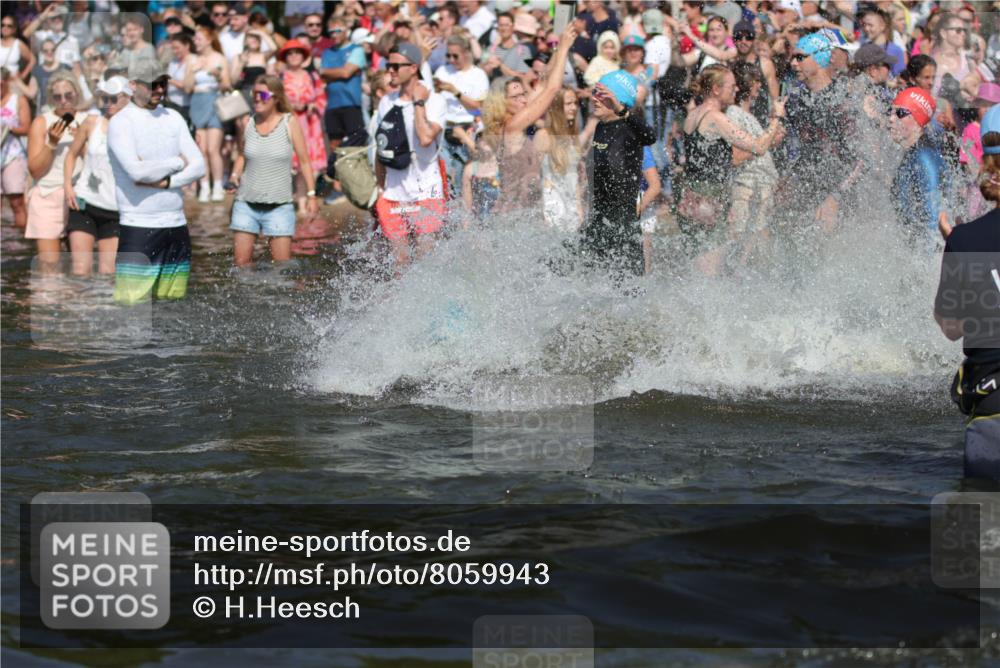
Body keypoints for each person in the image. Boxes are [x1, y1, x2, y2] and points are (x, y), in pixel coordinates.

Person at [934, 104, 1000, 478]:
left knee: (980, 512)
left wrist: (959, 246)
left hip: (993, 408)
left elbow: (950, 326)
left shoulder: (965, 240)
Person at [107, 59, 205, 305]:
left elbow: (199, 166)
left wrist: (167, 182)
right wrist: (178, 162)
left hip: (176, 224)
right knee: (131, 306)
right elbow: (137, 172)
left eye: (163, 83)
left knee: (173, 306)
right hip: (139, 225)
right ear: (132, 85)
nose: (160, 89)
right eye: (153, 84)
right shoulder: (121, 122)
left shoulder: (173, 117)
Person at [678, 64, 785, 272]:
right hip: (709, 197)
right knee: (710, 270)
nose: (736, 89)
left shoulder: (693, 114)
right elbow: (759, 147)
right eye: (732, 86)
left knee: (696, 263)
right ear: (716, 89)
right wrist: (776, 119)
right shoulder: (716, 118)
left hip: (689, 194)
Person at [481, 22, 577, 220]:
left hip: (524, 212)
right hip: (514, 215)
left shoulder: (511, 122)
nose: (524, 100)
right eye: (516, 97)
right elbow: (552, 89)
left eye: (523, 94)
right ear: (501, 102)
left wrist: (557, 48)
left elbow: (543, 83)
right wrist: (565, 49)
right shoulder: (512, 126)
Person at [228, 75, 318, 268]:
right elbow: (242, 155)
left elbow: (304, 161)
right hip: (245, 204)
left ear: (276, 97)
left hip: (280, 206)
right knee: (241, 265)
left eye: (262, 94)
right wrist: (234, 176)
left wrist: (311, 196)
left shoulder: (289, 122)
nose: (257, 98)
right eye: (254, 94)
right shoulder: (248, 122)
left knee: (281, 267)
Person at [372, 42, 447, 268]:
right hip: (394, 193)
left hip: (427, 191)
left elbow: (425, 138)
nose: (390, 71)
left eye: (396, 66)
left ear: (413, 68)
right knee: (400, 264)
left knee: (427, 262)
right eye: (388, 66)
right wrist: (380, 188)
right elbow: (381, 147)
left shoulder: (435, 100)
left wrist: (419, 102)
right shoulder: (386, 102)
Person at [580, 69, 655, 278]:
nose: (594, 99)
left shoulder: (630, 130)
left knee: (626, 291)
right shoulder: (600, 127)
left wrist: (621, 110)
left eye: (602, 95)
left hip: (623, 229)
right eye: (594, 93)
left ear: (617, 100)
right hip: (598, 223)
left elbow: (650, 136)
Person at [782, 33, 859, 232]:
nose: (793, 63)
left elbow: (863, 159)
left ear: (819, 58)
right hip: (806, 190)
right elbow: (797, 149)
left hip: (838, 193)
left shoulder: (842, 100)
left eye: (800, 57)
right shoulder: (795, 100)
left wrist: (835, 197)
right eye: (793, 57)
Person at [62, 76, 131, 276]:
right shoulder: (92, 122)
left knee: (107, 272)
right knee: (80, 269)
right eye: (105, 98)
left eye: (113, 99)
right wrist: (68, 186)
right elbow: (71, 155)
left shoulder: (134, 128)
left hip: (115, 208)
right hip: (85, 203)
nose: (108, 103)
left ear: (127, 98)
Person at [26, 72, 88, 268]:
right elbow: (35, 171)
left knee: (81, 266)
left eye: (68, 95)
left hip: (80, 198)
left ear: (77, 93)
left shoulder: (89, 120)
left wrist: (81, 143)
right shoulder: (41, 122)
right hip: (47, 195)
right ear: (51, 98)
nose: (63, 101)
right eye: (57, 97)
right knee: (49, 266)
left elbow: (100, 165)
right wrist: (51, 143)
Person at [726, 61, 780, 267]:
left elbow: (757, 148)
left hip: (760, 187)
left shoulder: (748, 115)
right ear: (745, 83)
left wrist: (771, 139)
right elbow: (737, 156)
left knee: (759, 243)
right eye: (756, 80)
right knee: (744, 243)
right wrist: (774, 123)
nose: (759, 85)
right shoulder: (733, 114)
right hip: (747, 188)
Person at [433, 34, 489, 200]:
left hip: (467, 129)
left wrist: (455, 92)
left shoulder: (478, 75)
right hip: (444, 128)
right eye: (448, 55)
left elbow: (478, 107)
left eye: (455, 56)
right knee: (444, 173)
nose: (451, 60)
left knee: (463, 175)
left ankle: (465, 210)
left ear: (466, 53)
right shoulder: (442, 71)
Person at [320, 15, 368, 203]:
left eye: (338, 30)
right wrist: (338, 72)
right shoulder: (327, 52)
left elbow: (346, 72)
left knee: (357, 145)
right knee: (334, 146)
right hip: (332, 105)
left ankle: (360, 185)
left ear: (346, 30)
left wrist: (330, 73)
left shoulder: (356, 50)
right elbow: (327, 73)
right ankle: (339, 188)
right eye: (331, 32)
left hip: (351, 104)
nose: (334, 35)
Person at [889, 86, 946, 242]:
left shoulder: (924, 157)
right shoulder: (912, 153)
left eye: (900, 113)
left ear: (918, 119)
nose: (891, 119)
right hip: (910, 244)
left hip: (925, 249)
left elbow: (935, 218)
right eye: (891, 111)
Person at [278, 39, 327, 214]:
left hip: (309, 125)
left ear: (303, 56)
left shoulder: (312, 76)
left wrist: (312, 106)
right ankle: (285, 202)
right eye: (290, 53)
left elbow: (321, 98)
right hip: (287, 123)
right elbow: (270, 99)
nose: (293, 56)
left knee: (306, 165)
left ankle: (304, 202)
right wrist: (288, 106)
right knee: (287, 165)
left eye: (297, 53)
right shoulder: (280, 77)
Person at [185, 26, 230, 202]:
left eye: (198, 38)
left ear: (209, 40)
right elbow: (187, 88)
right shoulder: (192, 59)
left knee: (213, 149)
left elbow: (227, 85)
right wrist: (193, 71)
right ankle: (204, 187)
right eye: (194, 38)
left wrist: (217, 76)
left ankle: (217, 186)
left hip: (215, 102)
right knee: (201, 150)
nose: (195, 41)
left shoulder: (220, 58)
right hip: (198, 102)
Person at [536, 87, 586, 232]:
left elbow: (574, 177)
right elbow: (534, 176)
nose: (574, 108)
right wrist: (542, 210)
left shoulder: (573, 136)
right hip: (551, 202)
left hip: (571, 203)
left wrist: (579, 209)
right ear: (557, 107)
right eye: (568, 103)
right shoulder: (544, 135)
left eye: (575, 103)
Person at [732, 20, 778, 126]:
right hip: (736, 122)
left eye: (748, 37)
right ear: (734, 40)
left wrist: (774, 122)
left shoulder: (765, 64)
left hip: (760, 121)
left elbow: (775, 99)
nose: (743, 41)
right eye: (739, 37)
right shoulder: (730, 64)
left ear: (754, 39)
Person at [0, 68, 30, 230]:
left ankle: (21, 238)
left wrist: (9, 128)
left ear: (6, 83)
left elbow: (26, 128)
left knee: (16, 202)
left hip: (12, 155)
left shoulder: (18, 100)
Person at [931, 12, 979, 103]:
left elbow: (978, 93)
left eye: (964, 30)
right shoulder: (930, 63)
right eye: (958, 30)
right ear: (943, 33)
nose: (963, 34)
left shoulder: (969, 62)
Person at [481, 12, 532, 83]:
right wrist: (487, 66)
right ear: (497, 27)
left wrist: (500, 66)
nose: (504, 28)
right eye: (501, 25)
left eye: (507, 25)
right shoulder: (490, 49)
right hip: (493, 89)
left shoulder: (523, 50)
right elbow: (480, 72)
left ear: (513, 27)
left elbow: (523, 77)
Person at [858, 7, 906, 78]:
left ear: (882, 26)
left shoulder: (895, 50)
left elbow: (900, 79)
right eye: (864, 25)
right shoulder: (863, 47)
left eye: (870, 25)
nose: (866, 28)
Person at [0, 13, 35, 84]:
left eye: (9, 26)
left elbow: (32, 60)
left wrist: (22, 76)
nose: (5, 28)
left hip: (12, 83)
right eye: (2, 25)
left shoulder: (18, 44)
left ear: (14, 29)